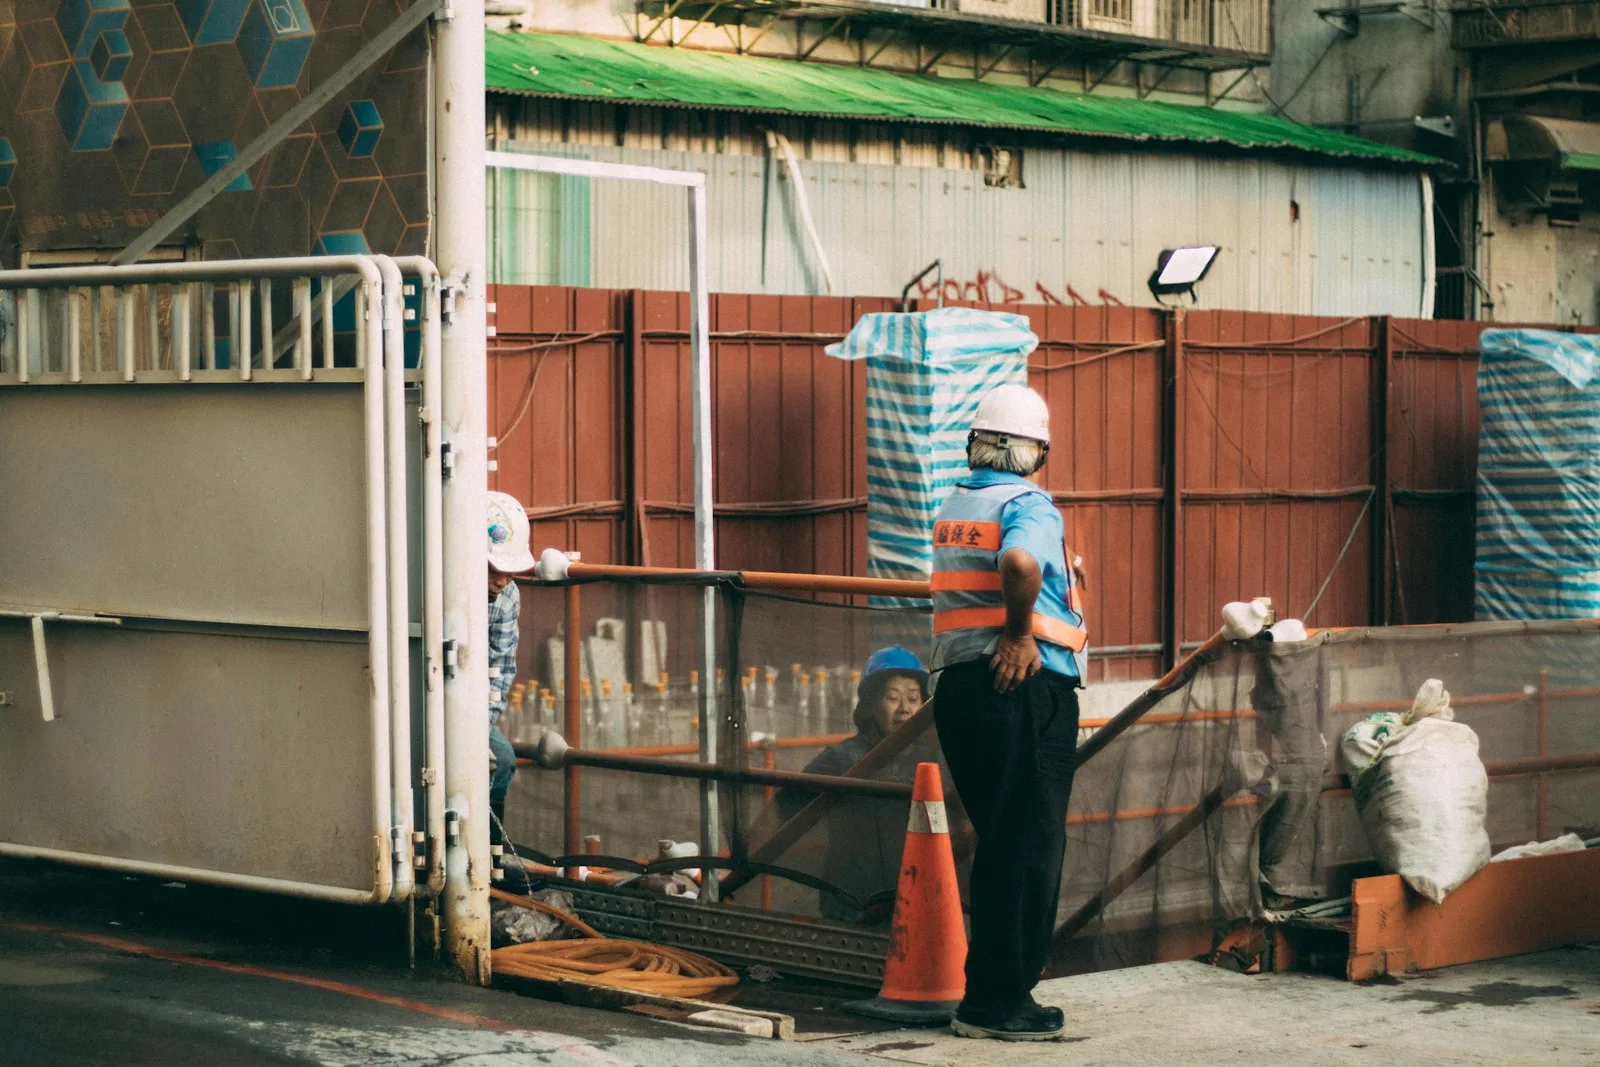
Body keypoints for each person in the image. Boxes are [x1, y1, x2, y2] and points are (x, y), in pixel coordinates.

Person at [931, 383, 1087, 1042]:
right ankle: (1001, 1002)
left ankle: (988, 995)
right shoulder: (1028, 504)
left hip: (961, 689)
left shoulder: (956, 505)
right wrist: (1021, 634)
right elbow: (1020, 561)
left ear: (976, 443)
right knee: (1029, 846)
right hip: (1020, 687)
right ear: (1038, 452)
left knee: (1001, 842)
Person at [775, 646, 933, 923]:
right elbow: (787, 803)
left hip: (916, 901)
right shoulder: (843, 759)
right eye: (892, 697)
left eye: (913, 698)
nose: (905, 708)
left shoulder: (932, 760)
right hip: (852, 905)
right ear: (871, 704)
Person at [486, 490, 535, 847]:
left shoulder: (508, 596)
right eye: (493, 569)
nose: (502, 579)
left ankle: (491, 855)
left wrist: (478, 727)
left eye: (509, 570)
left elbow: (501, 666)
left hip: (469, 711)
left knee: (501, 758)